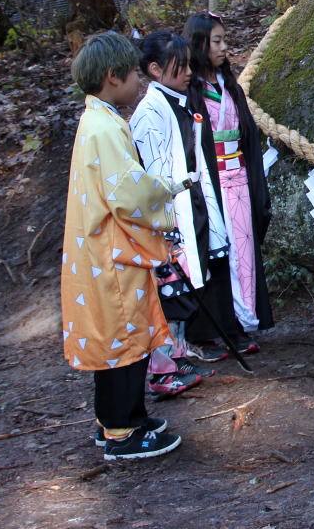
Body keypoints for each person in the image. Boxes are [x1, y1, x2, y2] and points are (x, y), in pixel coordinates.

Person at [59, 32, 182, 460]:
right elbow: (129, 194)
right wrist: (168, 192)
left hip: (107, 251)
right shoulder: (103, 128)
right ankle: (120, 431)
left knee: (127, 335)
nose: (138, 80)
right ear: (113, 77)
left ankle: (126, 416)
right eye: (133, 73)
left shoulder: (100, 120)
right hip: (111, 255)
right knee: (121, 341)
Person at [129, 32, 219, 399]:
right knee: (169, 292)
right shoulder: (149, 113)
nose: (187, 72)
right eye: (178, 66)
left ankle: (178, 354)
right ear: (154, 69)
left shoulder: (178, 102)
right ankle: (160, 369)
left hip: (185, 203)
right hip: (166, 214)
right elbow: (152, 177)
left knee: (184, 289)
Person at [182, 13, 274, 357]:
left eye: (224, 40)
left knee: (244, 251)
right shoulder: (191, 92)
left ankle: (244, 320)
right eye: (216, 41)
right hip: (211, 184)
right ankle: (219, 327)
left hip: (239, 179)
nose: (224, 47)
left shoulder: (228, 85)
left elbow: (246, 134)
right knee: (219, 255)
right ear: (199, 44)